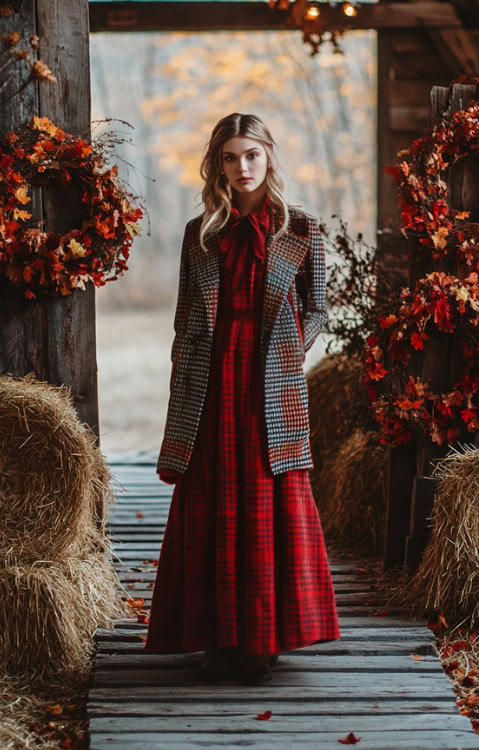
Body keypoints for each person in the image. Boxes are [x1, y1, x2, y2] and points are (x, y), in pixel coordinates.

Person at [143, 112, 340, 685]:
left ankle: (261, 640)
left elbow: (318, 308)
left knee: (265, 495)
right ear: (218, 165)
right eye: (230, 157)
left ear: (269, 157)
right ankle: (216, 639)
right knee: (212, 497)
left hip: (270, 380)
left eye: (251, 154)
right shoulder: (199, 232)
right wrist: (183, 372)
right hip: (211, 377)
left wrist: (287, 352)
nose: (242, 167)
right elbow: (186, 317)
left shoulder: (301, 228)